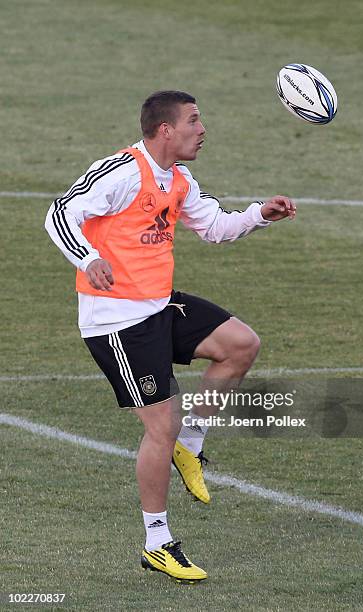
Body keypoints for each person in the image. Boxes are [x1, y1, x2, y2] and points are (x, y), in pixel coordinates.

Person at [45, 90, 296, 583]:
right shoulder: (119, 172)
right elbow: (60, 213)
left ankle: (193, 442)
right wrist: (87, 258)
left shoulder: (179, 179)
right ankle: (157, 541)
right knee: (161, 425)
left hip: (159, 304)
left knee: (240, 345)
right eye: (194, 121)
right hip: (116, 320)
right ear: (165, 129)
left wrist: (259, 214)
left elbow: (216, 227)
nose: (202, 129)